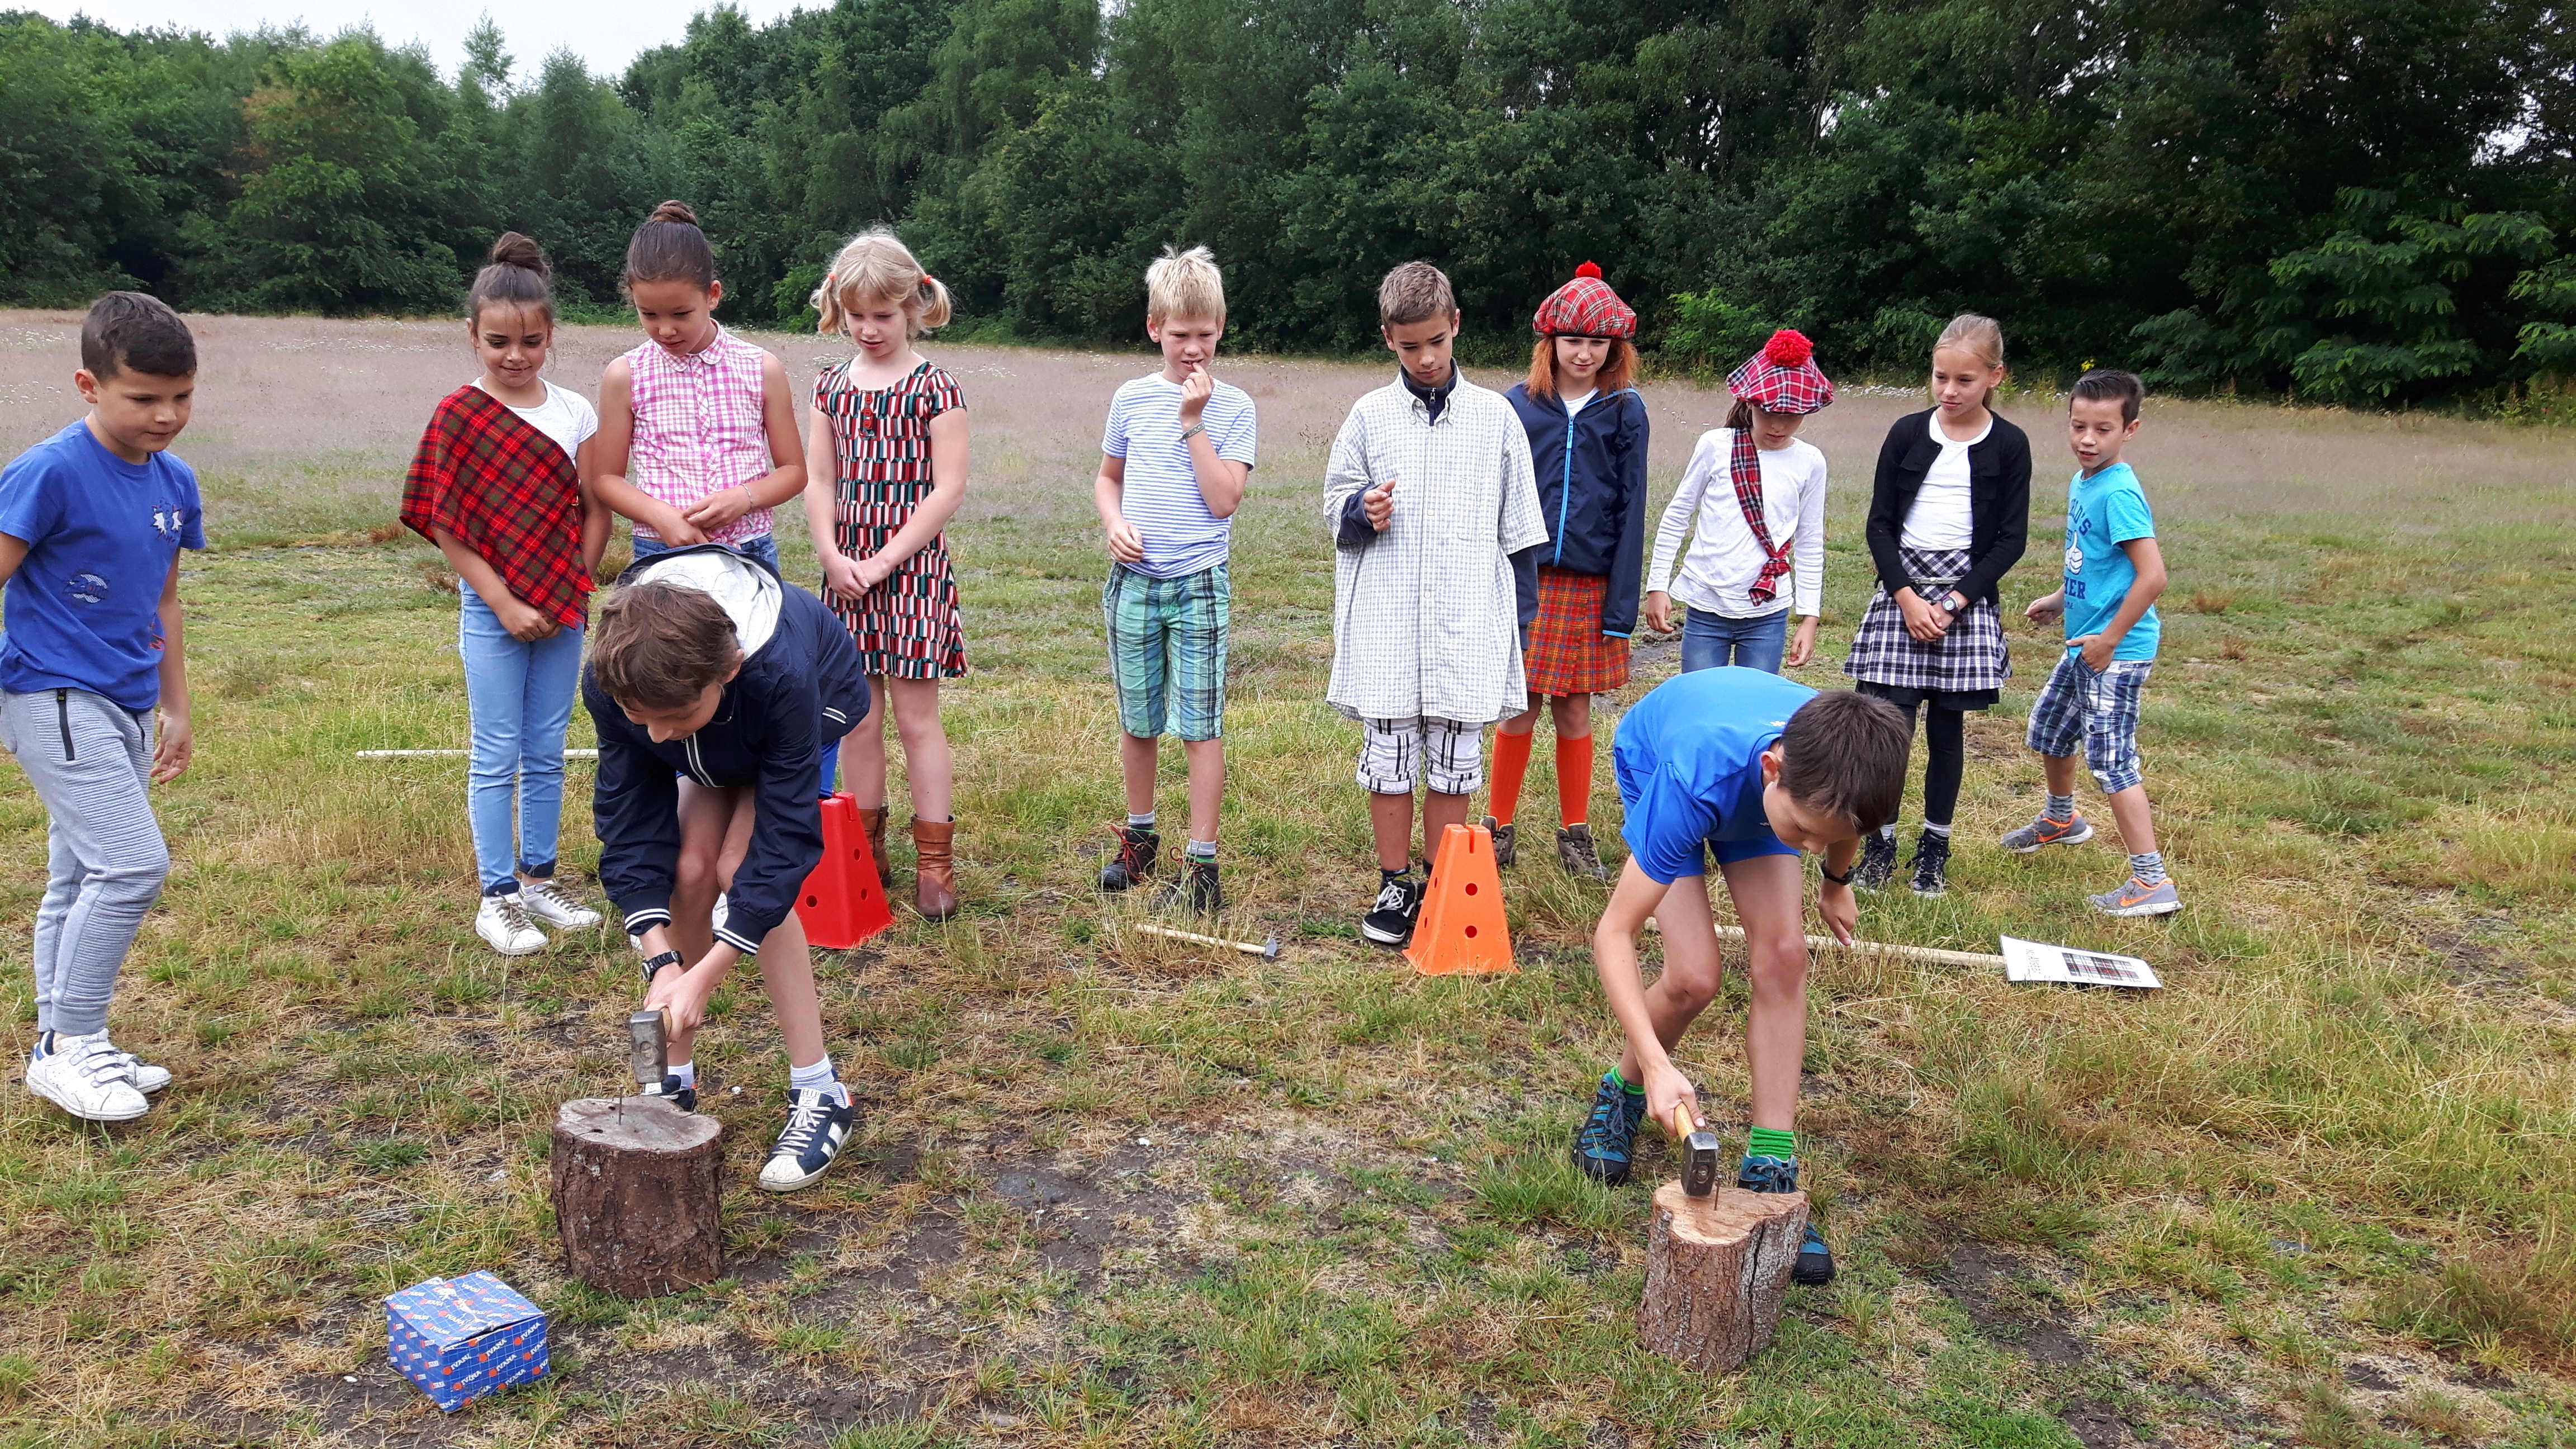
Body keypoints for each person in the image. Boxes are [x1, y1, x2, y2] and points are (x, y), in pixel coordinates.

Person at [1571, 669, 1911, 1286]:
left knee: (1784, 956)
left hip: (1762, 794)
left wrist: (1837, 883)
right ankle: (1620, 1092)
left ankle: (1771, 1168)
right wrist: (1656, 1064)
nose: (1811, 849)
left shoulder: (1842, 769)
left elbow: (1843, 824)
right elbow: (1613, 934)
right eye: (1806, 834)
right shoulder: (1692, 776)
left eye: (1825, 840)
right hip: (1667, 761)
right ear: (1773, 771)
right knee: (1693, 976)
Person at [588, 547, 870, 1192]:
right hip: (717, 717)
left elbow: (787, 839)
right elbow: (630, 818)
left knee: (741, 863)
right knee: (688, 869)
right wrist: (662, 963)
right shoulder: (622, 681)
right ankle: (673, 1082)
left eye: (672, 721)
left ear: (731, 668)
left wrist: (707, 974)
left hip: (802, 709)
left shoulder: (781, 675)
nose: (655, 738)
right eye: (640, 719)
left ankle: (822, 1091)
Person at [0, 292, 203, 1121]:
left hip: (124, 700)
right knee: (132, 865)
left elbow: (164, 602)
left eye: (182, 397)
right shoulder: (47, 471)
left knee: (79, 874)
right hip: (49, 693)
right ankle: (70, 1045)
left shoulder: (176, 481)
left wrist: (176, 706)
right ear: (89, 384)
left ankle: (72, 1040)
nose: (166, 416)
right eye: (144, 398)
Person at [1324, 261, 1547, 947]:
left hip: (1466, 624)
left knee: (1453, 756)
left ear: (1455, 325)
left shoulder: (1495, 419)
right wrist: (1362, 509)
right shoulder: (1368, 417)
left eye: (1435, 343)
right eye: (1408, 346)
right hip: (1387, 620)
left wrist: (1516, 624)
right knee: (1389, 756)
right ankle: (1396, 883)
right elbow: (1333, 507)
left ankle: (1443, 879)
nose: (1425, 359)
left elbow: (1521, 532)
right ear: (1388, 338)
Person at [401, 233, 613, 956]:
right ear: (472, 335)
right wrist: (503, 602)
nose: (515, 355)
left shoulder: (576, 412)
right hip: (492, 610)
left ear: (550, 335)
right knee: (496, 751)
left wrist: (571, 591)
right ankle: (496, 898)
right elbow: (446, 524)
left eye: (529, 341)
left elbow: (595, 509)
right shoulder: (458, 416)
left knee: (548, 747)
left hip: (563, 607)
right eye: (498, 342)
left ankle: (538, 881)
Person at [801, 228, 969, 920]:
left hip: (911, 572)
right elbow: (818, 479)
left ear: (914, 309)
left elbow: (947, 489)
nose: (869, 329)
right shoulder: (830, 387)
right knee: (856, 721)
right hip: (845, 577)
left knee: (916, 720)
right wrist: (833, 557)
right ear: (838, 310)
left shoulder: (937, 387)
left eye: (883, 315)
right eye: (856, 316)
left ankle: (936, 865)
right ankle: (865, 855)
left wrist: (882, 560)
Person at [1844, 314, 2031, 898]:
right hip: (1903, 590)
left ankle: (1934, 848)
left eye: (1965, 381)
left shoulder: (2009, 444)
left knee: (1946, 731)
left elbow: (2011, 540)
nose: (1949, 391)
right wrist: (1905, 597)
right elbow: (1878, 525)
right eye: (1940, 377)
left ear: (1995, 377)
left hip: (1964, 597)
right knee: (1889, 730)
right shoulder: (1905, 433)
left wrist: (1952, 603)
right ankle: (1881, 844)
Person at [1092, 246, 1256, 915]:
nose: (1194, 350)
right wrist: (1112, 521)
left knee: (1199, 724)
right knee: (1139, 719)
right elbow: (1109, 478)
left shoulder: (1235, 407)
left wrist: (1194, 424)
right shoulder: (1130, 398)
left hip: (1198, 586)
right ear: (1155, 327)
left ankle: (1202, 863)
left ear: (1221, 331)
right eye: (1181, 335)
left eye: (1206, 336)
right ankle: (1139, 840)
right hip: (1134, 583)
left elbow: (1223, 501)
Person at [1493, 262, 1649, 880]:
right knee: (1519, 707)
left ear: (1615, 347)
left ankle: (1575, 833)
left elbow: (1633, 507)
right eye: (1573, 341)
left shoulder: (1624, 410)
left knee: (1575, 711)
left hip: (1589, 583)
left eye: (1597, 342)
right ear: (1550, 343)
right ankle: (1498, 826)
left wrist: (1621, 607)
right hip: (1529, 578)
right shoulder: (1517, 406)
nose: (1584, 353)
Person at [2006, 370, 2177, 916]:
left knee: (2113, 763)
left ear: (2130, 430)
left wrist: (2109, 639)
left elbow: (2152, 577)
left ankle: (2151, 883)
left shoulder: (2120, 491)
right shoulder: (2085, 481)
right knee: (2051, 731)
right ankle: (2062, 819)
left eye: (2102, 429)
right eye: (2078, 426)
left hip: (2115, 652)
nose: (2087, 439)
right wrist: (2060, 598)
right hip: (2085, 642)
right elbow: (2098, 563)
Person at [594, 201, 808, 574]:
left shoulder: (761, 368)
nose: (666, 330)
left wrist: (745, 497)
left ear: (712, 295)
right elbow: (605, 478)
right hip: (661, 553)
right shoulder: (626, 375)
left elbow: (793, 471)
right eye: (649, 314)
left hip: (748, 551)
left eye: (681, 314)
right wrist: (659, 515)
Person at [1645, 329, 1834, 676]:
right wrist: (1657, 586)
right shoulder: (1715, 446)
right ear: (1750, 402)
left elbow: (1810, 541)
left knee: (1755, 707)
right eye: (1768, 411)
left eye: (1791, 416)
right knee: (1701, 702)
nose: (1778, 425)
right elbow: (1677, 516)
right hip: (1706, 606)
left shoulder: (1811, 462)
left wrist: (1810, 618)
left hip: (1768, 613)